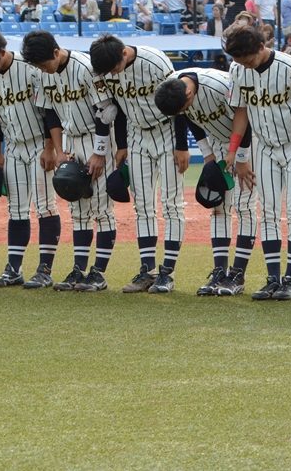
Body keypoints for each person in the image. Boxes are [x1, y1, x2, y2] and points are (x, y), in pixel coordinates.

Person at [222, 22, 291, 301]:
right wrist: (233, 150)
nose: (245, 65)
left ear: (262, 47)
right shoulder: (238, 68)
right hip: (263, 147)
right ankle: (272, 278)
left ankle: (290, 280)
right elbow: (241, 110)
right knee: (267, 213)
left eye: (248, 59)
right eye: (239, 61)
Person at [21, 31, 119, 292]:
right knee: (78, 211)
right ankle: (78, 269)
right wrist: (58, 150)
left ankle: (98, 273)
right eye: (38, 67)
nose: (43, 70)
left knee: (101, 208)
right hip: (70, 140)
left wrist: (99, 153)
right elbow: (50, 112)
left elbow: (106, 111)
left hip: (97, 138)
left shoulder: (86, 67)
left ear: (56, 52)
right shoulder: (44, 74)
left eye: (44, 64)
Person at [0, 29, 63, 288]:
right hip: (13, 149)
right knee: (17, 209)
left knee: (45, 206)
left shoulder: (31, 68)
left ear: (1, 52)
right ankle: (14, 268)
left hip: (38, 145)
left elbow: (49, 110)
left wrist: (50, 148)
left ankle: (44, 269)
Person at [89, 34, 185, 293]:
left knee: (171, 203)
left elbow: (178, 100)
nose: (111, 73)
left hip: (166, 131)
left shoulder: (154, 61)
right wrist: (122, 145)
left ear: (123, 53)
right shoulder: (101, 70)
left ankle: (167, 272)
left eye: (113, 67)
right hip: (136, 135)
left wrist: (181, 145)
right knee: (142, 205)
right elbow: (114, 109)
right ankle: (148, 269)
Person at [153, 68, 258, 296]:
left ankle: (237, 275)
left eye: (184, 107)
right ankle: (220, 272)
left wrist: (240, 158)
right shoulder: (175, 87)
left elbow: (245, 116)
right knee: (218, 208)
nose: (183, 112)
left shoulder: (219, 86)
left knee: (244, 206)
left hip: (250, 142)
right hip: (220, 143)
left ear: (189, 95)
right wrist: (209, 156)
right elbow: (193, 120)